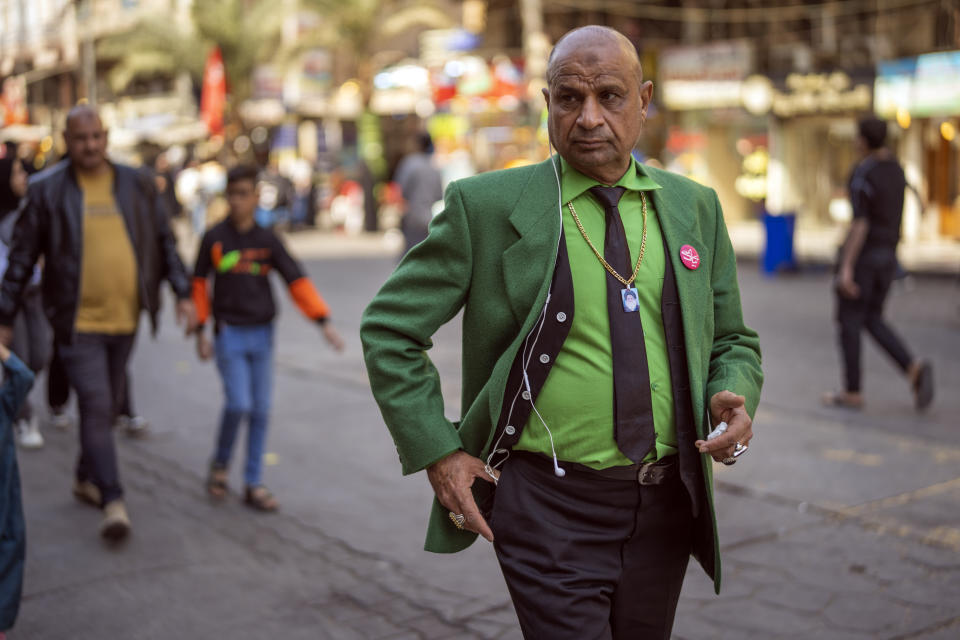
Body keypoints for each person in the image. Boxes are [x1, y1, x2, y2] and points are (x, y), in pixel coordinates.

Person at [361, 25, 763, 639]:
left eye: (610, 95)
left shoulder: (694, 207)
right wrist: (438, 452)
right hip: (545, 509)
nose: (589, 117)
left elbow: (733, 338)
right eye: (570, 98)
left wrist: (731, 393)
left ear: (644, 100)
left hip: (664, 505)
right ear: (547, 105)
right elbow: (390, 328)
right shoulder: (487, 206)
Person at [0, 105, 196, 541]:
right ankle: (112, 498)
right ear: (69, 140)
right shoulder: (46, 190)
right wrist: (5, 317)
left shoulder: (138, 183)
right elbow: (21, 260)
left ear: (106, 137)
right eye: (80, 138)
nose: (89, 145)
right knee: (94, 404)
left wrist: (183, 293)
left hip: (124, 319)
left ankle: (85, 477)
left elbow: (163, 241)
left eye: (96, 137)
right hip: (76, 322)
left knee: (105, 408)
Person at [192, 165, 344, 512]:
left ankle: (252, 482)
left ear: (256, 197)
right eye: (232, 195)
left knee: (260, 410)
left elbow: (296, 281)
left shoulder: (268, 240)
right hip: (228, 333)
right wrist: (200, 329)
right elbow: (198, 284)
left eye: (244, 194)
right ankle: (220, 464)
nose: (238, 201)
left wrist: (324, 322)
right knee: (238, 404)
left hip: (262, 334)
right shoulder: (214, 238)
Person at [822, 117, 933, 411]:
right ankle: (913, 367)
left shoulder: (864, 172)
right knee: (872, 318)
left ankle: (852, 391)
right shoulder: (897, 169)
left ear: (863, 140)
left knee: (849, 321)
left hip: (865, 258)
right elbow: (920, 200)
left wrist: (846, 267)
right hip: (888, 257)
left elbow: (860, 224)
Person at [0, 150, 47, 449]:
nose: (22, 178)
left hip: (33, 295)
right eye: (16, 173)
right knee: (20, 360)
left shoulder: (31, 209)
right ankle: (22, 415)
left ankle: (13, 400)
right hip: (8, 298)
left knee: (40, 353)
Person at [0, 319, 35, 639]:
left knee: (10, 549)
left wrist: (2, 352)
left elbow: (24, 376)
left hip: (5, 497)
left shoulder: (4, 403)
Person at [393, 132, 444, 254]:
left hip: (412, 216)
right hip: (428, 216)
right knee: (426, 255)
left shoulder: (409, 163)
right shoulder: (433, 167)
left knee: (411, 256)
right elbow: (439, 195)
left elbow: (401, 189)